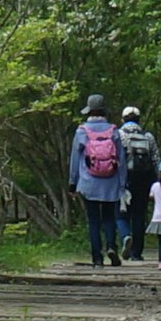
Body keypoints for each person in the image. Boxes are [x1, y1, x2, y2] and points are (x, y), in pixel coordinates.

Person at [67, 100, 128, 265]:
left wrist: (72, 183)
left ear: (89, 112)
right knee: (109, 217)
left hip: (89, 183)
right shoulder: (114, 131)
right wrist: (122, 184)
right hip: (111, 182)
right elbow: (121, 159)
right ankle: (111, 246)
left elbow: (74, 159)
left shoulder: (82, 131)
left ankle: (97, 258)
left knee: (93, 220)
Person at [116, 105, 158, 259]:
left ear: (123, 119)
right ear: (139, 120)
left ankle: (126, 235)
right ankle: (137, 253)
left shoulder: (119, 135)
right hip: (144, 181)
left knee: (120, 213)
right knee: (139, 215)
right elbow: (155, 160)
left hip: (124, 180)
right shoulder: (148, 137)